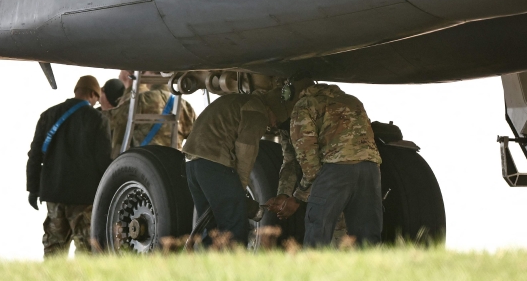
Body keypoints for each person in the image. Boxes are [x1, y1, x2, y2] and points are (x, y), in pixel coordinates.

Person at [266, 81, 383, 247]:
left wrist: (299, 196)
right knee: (367, 233)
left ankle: (314, 271)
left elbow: (308, 160)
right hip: (370, 168)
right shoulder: (352, 100)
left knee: (318, 230)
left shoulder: (304, 105)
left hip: (336, 168)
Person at [182, 88, 291, 246]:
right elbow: (246, 150)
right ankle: (234, 269)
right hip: (215, 164)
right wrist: (240, 189)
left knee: (210, 227)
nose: (274, 125)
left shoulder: (236, 101)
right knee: (234, 227)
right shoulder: (258, 111)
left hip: (193, 164)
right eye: (277, 119)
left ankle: (207, 268)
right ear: (271, 109)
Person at [26, 75, 111, 257]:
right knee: (87, 251)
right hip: (84, 198)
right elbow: (103, 161)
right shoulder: (98, 119)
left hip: (54, 195)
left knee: (54, 251)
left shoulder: (49, 115)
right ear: (92, 94)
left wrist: (33, 189)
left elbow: (34, 155)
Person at [108, 70, 196, 156]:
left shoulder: (141, 100)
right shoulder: (185, 106)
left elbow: (109, 120)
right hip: (173, 164)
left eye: (144, 71)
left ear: (152, 73)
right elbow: (196, 139)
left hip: (146, 165)